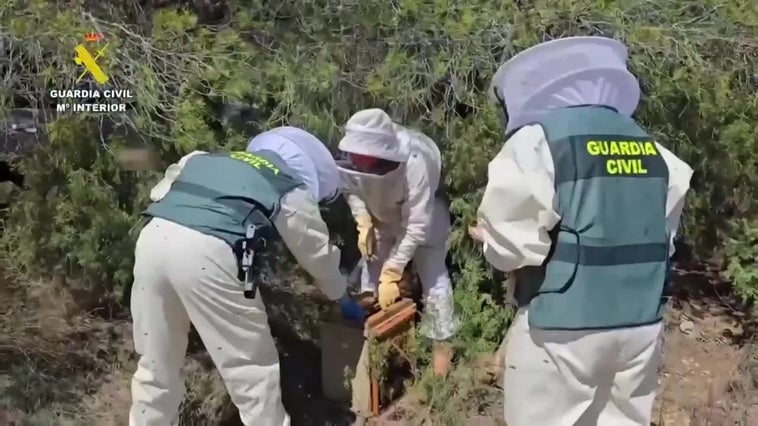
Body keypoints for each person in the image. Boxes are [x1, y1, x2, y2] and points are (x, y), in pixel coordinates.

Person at [470, 36, 694, 425]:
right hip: (640, 326)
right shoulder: (654, 148)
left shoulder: (539, 139)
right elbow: (662, 238)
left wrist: (491, 242)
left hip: (563, 328)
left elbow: (512, 247)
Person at [129, 126, 355, 426]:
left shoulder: (201, 158)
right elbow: (317, 255)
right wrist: (341, 294)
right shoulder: (288, 186)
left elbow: (160, 193)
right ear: (309, 173)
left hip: (152, 242)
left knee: (155, 367)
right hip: (209, 254)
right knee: (251, 372)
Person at [336, 108, 457, 376]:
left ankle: (441, 361)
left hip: (424, 215)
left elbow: (416, 226)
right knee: (372, 271)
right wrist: (362, 220)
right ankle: (376, 347)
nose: (362, 163)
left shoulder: (416, 160)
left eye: (369, 160)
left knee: (433, 277)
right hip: (380, 216)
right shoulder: (352, 158)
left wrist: (394, 272)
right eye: (359, 159)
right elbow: (351, 189)